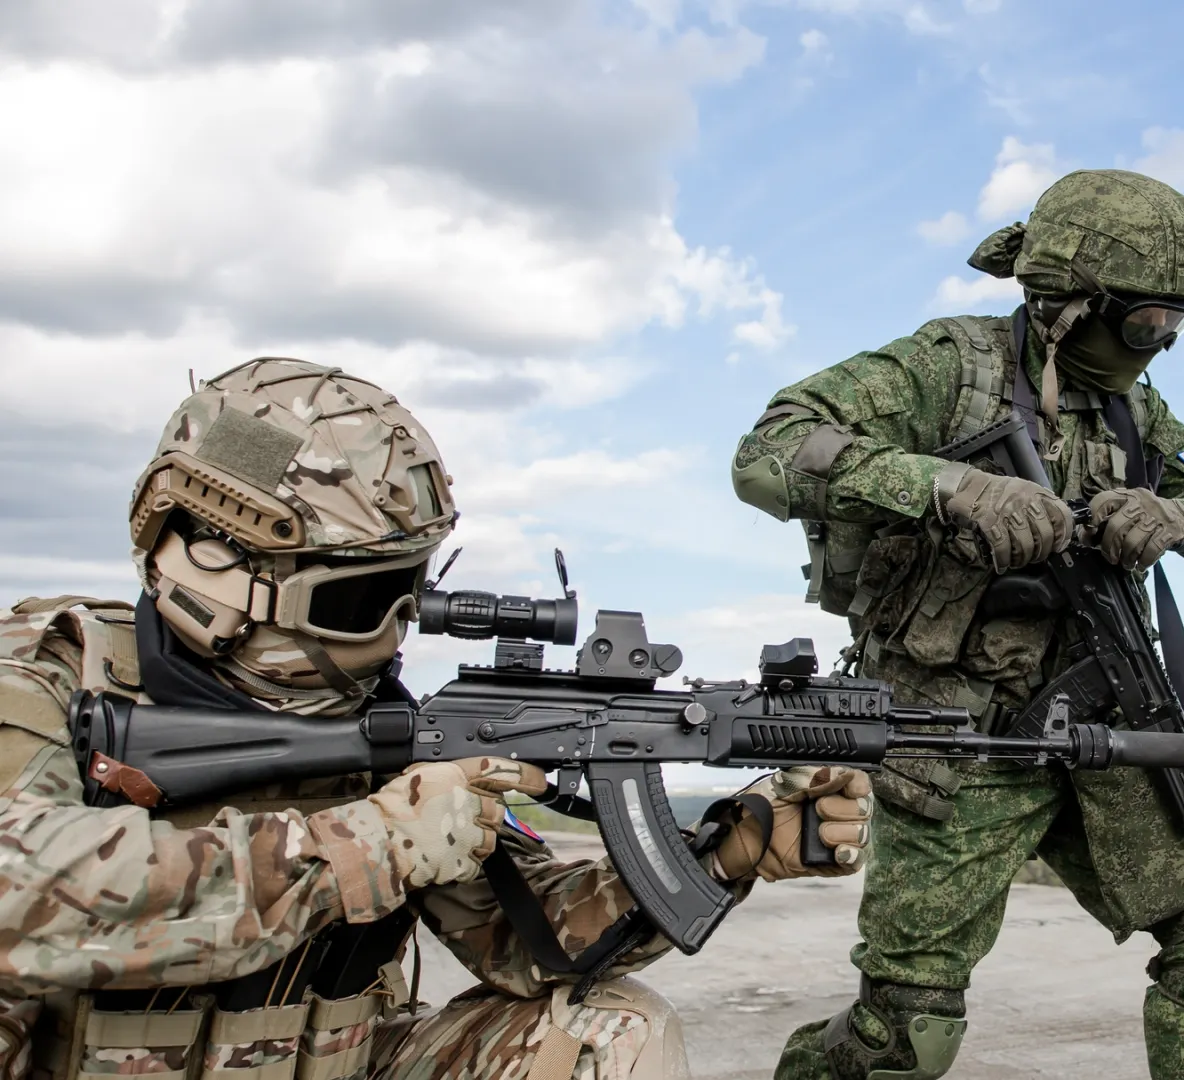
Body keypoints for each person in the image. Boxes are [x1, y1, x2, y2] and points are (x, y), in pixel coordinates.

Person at [0, 358, 873, 1080]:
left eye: (410, 595)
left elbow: (524, 941)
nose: (394, 633)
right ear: (212, 562)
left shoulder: (389, 729)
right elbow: (20, 895)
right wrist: (360, 848)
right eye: (365, 598)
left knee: (606, 1033)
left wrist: (730, 846)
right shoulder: (51, 673)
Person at [731, 170, 1184, 1080]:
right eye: (1146, 323)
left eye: (1180, 324)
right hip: (962, 746)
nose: (1162, 345)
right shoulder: (947, 368)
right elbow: (771, 450)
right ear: (1068, 305)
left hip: (1109, 732)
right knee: (908, 1036)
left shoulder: (1139, 414)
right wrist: (946, 487)